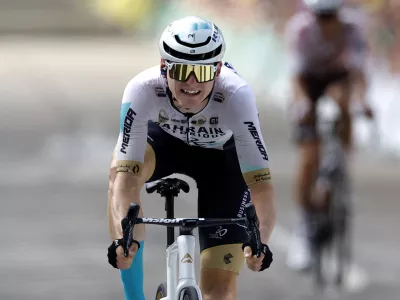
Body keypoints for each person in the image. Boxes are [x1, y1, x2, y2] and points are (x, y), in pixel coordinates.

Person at [106, 16, 276, 300]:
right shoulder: (141, 89)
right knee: (119, 170)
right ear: (164, 67)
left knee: (219, 292)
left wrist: (262, 243)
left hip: (222, 160)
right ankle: (133, 296)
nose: (192, 82)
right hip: (163, 144)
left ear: (218, 69)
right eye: (182, 70)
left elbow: (262, 187)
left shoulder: (237, 95)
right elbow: (124, 181)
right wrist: (124, 236)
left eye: (204, 73)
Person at [284, 0, 374, 271]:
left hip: (338, 78)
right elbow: (295, 78)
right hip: (308, 82)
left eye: (331, 16)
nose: (327, 23)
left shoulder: (353, 28)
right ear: (312, 15)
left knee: (344, 102)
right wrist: (301, 106)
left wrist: (362, 101)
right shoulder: (299, 30)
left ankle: (343, 159)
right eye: (321, 16)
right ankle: (304, 227)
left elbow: (358, 73)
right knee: (309, 156)